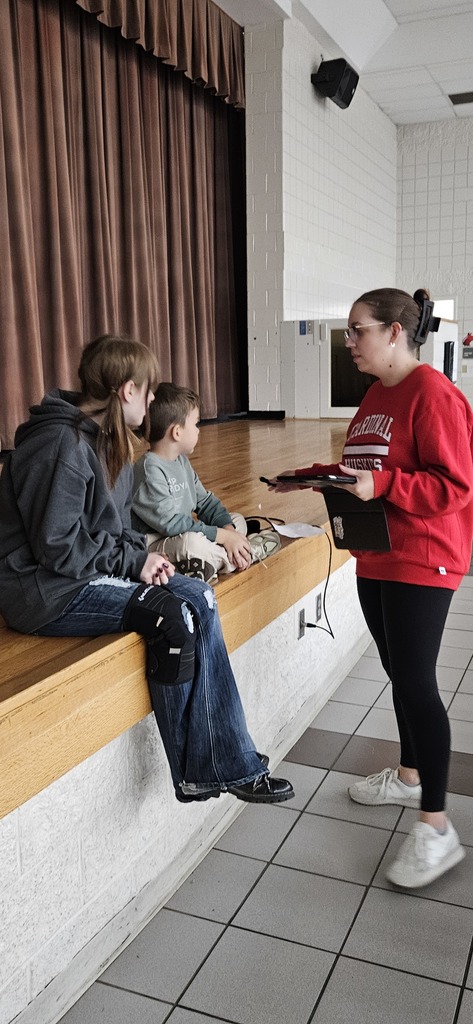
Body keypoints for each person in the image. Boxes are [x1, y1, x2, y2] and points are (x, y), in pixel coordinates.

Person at [0, 335, 293, 806]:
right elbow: (58, 548)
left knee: (200, 597)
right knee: (173, 617)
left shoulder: (105, 440)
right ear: (126, 391)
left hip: (80, 574)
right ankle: (198, 771)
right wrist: (132, 562)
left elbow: (111, 528)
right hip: (46, 592)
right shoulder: (59, 445)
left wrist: (141, 558)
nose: (154, 400)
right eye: (149, 389)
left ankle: (227, 762)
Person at [266, 287, 473, 888]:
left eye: (358, 330)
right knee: (398, 674)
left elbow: (453, 486)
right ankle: (409, 778)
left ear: (395, 333)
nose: (348, 341)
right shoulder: (378, 395)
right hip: (378, 554)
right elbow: (362, 466)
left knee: (416, 683)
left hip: (423, 557)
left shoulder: (434, 394)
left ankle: (436, 828)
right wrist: (302, 478)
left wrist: (382, 486)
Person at [131, 382, 252, 583]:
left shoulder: (181, 462)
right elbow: (172, 525)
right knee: (191, 544)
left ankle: (222, 557)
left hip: (182, 532)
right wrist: (222, 537)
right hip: (155, 543)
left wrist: (229, 532)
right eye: (195, 424)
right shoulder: (148, 470)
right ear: (177, 432)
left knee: (237, 520)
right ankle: (243, 554)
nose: (198, 430)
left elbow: (206, 503)